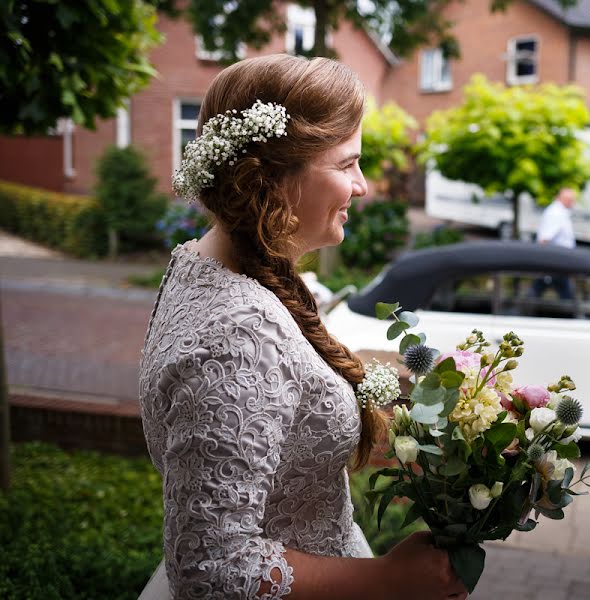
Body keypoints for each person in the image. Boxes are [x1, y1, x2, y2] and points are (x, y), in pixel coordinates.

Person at [138, 54, 467, 600]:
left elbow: (278, 413)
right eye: (346, 165)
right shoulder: (239, 336)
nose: (361, 186)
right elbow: (212, 571)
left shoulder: (205, 265)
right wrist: (390, 579)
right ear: (271, 177)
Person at [530, 187, 577, 300]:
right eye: (571, 200)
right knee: (564, 291)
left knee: (543, 286)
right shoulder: (556, 213)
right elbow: (544, 239)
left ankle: (527, 307)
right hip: (556, 260)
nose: (573, 203)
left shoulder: (558, 211)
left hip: (557, 259)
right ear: (563, 199)